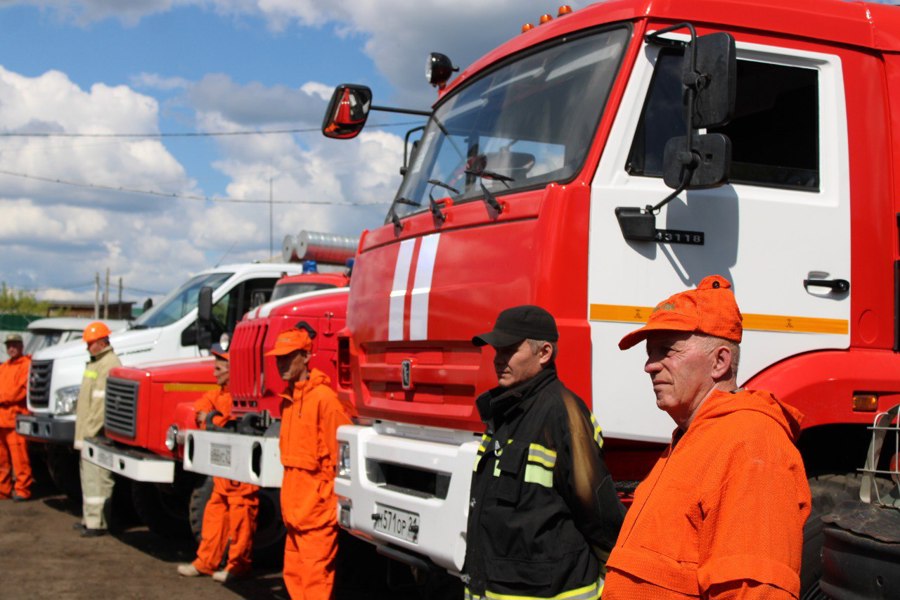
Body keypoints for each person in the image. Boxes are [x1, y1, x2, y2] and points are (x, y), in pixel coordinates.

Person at [604, 275, 812, 599]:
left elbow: (754, 593)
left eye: (666, 351)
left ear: (719, 362)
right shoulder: (694, 437)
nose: (649, 366)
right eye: (649, 353)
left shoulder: (752, 444)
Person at [464, 305, 625, 600]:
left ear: (544, 353)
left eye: (509, 350)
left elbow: (598, 512)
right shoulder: (506, 412)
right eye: (496, 351)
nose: (499, 360)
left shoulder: (563, 414)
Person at [265, 323, 353, 599]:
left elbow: (339, 458)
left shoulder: (324, 400)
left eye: (288, 357)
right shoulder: (288, 401)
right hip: (293, 510)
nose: (281, 364)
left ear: (305, 356)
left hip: (315, 510)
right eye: (279, 358)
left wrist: (323, 500)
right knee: (293, 575)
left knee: (315, 580)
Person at [178, 345, 260, 583]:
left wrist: (213, 419)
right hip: (224, 470)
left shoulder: (245, 397)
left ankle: (238, 566)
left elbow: (227, 421)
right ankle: (206, 562)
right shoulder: (221, 394)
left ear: (233, 370)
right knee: (215, 515)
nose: (214, 373)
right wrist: (213, 419)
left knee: (241, 515)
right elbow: (201, 409)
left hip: (241, 470)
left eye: (218, 369)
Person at [73, 321, 121, 537]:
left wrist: (89, 433)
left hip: (95, 434)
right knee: (88, 478)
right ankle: (89, 518)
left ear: (102, 343)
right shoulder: (95, 363)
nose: (87, 347)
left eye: (90, 343)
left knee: (98, 478)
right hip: (87, 432)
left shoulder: (108, 364)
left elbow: (100, 406)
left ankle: (97, 523)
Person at [0, 333, 33, 501]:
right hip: (1, 420)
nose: (11, 348)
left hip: (16, 420)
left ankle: (23, 490)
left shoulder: (27, 365)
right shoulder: (4, 366)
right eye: (9, 345)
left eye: (14, 345)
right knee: (2, 459)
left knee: (20, 458)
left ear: (21, 346)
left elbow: (19, 392)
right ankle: (3, 491)